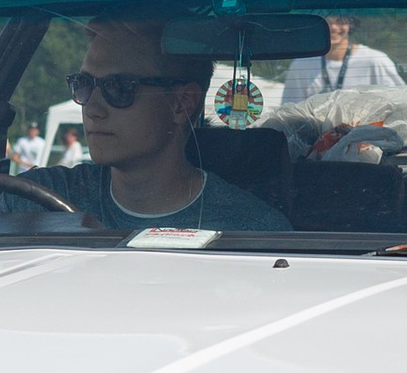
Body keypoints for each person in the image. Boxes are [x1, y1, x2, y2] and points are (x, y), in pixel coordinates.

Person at [40, 22, 280, 235]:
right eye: (82, 84)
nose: (92, 108)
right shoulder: (35, 198)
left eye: (119, 87)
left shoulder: (253, 230)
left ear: (182, 102)